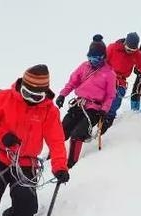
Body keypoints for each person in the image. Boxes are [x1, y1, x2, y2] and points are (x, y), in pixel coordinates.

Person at [0, 64, 69, 216]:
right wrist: (1, 135)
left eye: (37, 97)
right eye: (27, 94)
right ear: (22, 86)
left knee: (26, 215)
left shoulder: (49, 111)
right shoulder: (3, 98)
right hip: (0, 156)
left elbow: (56, 141)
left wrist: (60, 166)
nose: (30, 99)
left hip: (27, 163)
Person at [55, 34, 116, 168]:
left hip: (94, 109)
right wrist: (62, 95)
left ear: (103, 57)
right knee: (62, 130)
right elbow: (72, 82)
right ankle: (51, 159)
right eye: (90, 57)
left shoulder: (109, 74)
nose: (92, 61)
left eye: (96, 58)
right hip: (79, 104)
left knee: (78, 134)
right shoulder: (84, 67)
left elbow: (110, 95)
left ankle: (71, 165)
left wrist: (104, 110)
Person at [103, 32, 141, 132]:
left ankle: (108, 121)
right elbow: (104, 61)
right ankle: (96, 117)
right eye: (128, 49)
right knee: (101, 98)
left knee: (116, 101)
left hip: (121, 81)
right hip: (108, 77)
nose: (129, 52)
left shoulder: (137, 54)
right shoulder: (113, 48)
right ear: (125, 44)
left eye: (132, 50)